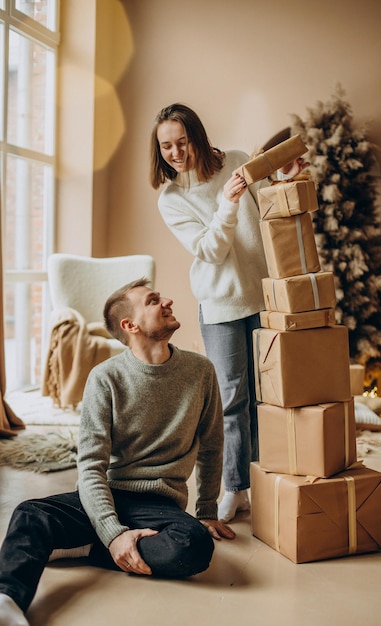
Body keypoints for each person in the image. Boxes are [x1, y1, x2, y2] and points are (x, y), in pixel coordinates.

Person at [0, 277, 235, 626]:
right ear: (130, 325)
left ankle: (87, 547)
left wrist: (206, 510)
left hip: (160, 504)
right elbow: (91, 467)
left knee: (194, 546)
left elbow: (213, 444)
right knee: (31, 514)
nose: (167, 301)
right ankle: (7, 599)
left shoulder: (200, 372)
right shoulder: (105, 378)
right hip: (108, 495)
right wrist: (113, 531)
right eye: (154, 300)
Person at [150, 103, 308, 523]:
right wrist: (227, 203)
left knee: (265, 396)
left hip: (264, 296)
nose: (176, 152)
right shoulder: (171, 199)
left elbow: (271, 207)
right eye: (167, 146)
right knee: (232, 402)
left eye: (182, 142)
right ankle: (234, 488)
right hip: (220, 305)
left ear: (197, 137)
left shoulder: (237, 162)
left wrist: (286, 178)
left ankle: (261, 481)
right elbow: (210, 250)